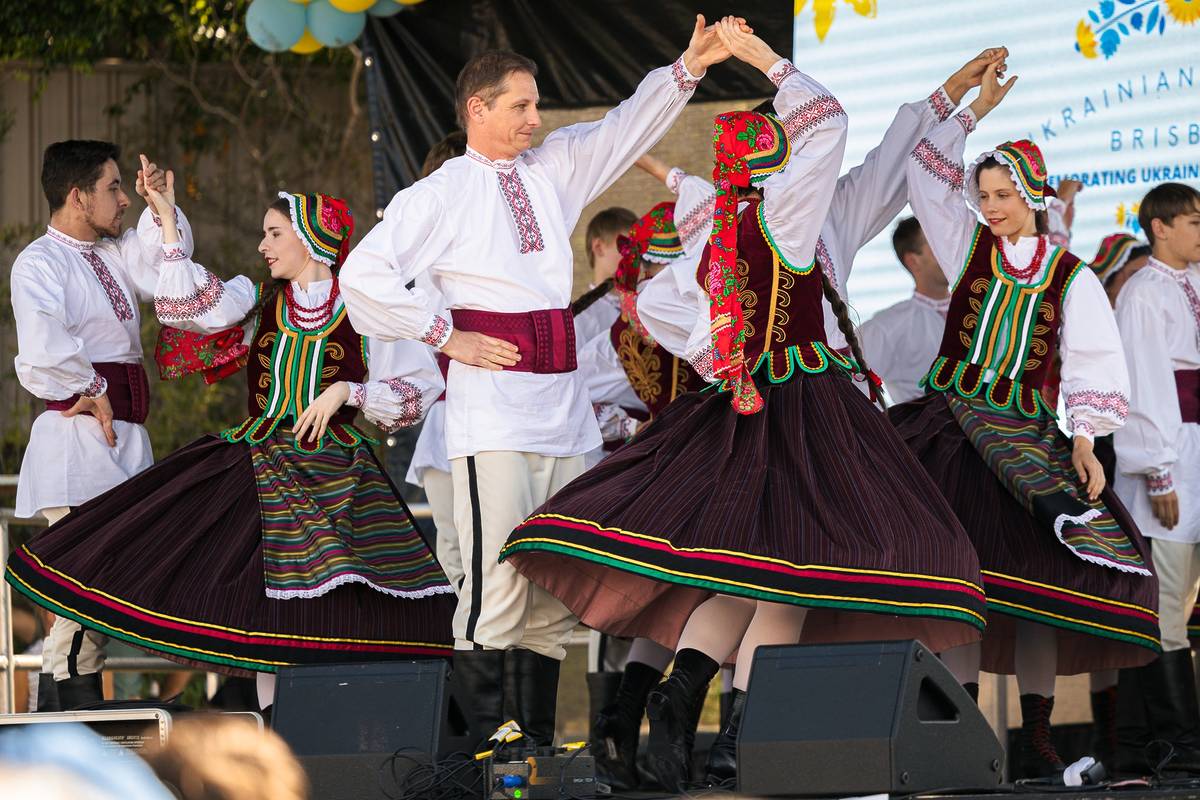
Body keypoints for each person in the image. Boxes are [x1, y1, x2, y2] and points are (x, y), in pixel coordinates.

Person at [499, 23, 986, 791]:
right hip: (805, 412)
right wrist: (765, 56)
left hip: (750, 410)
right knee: (792, 573)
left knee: (746, 576)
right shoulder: (789, 215)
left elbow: (877, 168)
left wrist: (949, 101)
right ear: (779, 151)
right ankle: (728, 736)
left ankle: (688, 708)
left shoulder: (730, 227)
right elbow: (830, 123)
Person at [339, 15, 739, 746]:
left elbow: (621, 129)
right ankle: (479, 759)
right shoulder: (440, 192)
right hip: (492, 413)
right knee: (494, 583)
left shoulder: (551, 170)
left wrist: (688, 69)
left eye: (534, 104)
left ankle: (538, 754)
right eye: (520, 105)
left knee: (556, 583)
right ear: (477, 110)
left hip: (563, 407)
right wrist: (443, 334)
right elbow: (361, 276)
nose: (534, 117)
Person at [5, 187, 455, 712]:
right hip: (258, 469)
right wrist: (169, 224)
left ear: (311, 240)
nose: (262, 246)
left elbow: (416, 389)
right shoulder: (258, 303)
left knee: (325, 614)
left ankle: (325, 745)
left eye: (274, 233)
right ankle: (269, 734)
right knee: (262, 618)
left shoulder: (365, 308)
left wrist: (347, 392)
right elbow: (184, 305)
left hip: (334, 476)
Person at [888, 57, 1159, 778]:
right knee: (961, 583)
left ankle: (1037, 741)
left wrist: (1084, 442)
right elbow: (923, 168)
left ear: (1035, 195)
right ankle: (962, 735)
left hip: (1025, 439)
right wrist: (971, 108)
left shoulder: (1070, 276)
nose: (991, 205)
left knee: (1038, 588)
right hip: (950, 434)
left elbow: (1092, 364)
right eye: (983, 194)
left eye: (1004, 194)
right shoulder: (967, 245)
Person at [9, 140, 188, 710]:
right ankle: (65, 713)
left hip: (123, 438)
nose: (122, 199)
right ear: (76, 195)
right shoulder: (40, 261)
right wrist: (88, 388)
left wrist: (162, 205)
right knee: (86, 589)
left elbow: (169, 274)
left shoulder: (114, 253)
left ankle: (74, 712)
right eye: (113, 188)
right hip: (76, 442)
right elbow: (40, 346)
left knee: (102, 592)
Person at [1111, 182, 1200, 773]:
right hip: (1172, 457)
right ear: (1160, 227)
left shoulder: (1192, 283)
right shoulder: (1142, 293)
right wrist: (1157, 472)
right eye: (1193, 221)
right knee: (1167, 602)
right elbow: (1142, 384)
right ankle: (1177, 742)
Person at [405, 132, 469, 595]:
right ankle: (460, 662)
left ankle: (505, 661)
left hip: (503, 415)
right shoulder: (419, 270)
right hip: (449, 419)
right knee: (453, 548)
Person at [859, 217, 950, 403]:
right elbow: (851, 384)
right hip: (928, 429)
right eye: (936, 244)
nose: (948, 251)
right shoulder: (888, 327)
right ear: (913, 261)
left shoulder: (984, 309)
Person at [572, 207, 640, 348]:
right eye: (626, 247)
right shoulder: (579, 318)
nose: (636, 257)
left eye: (638, 249)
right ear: (598, 247)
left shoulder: (645, 307)